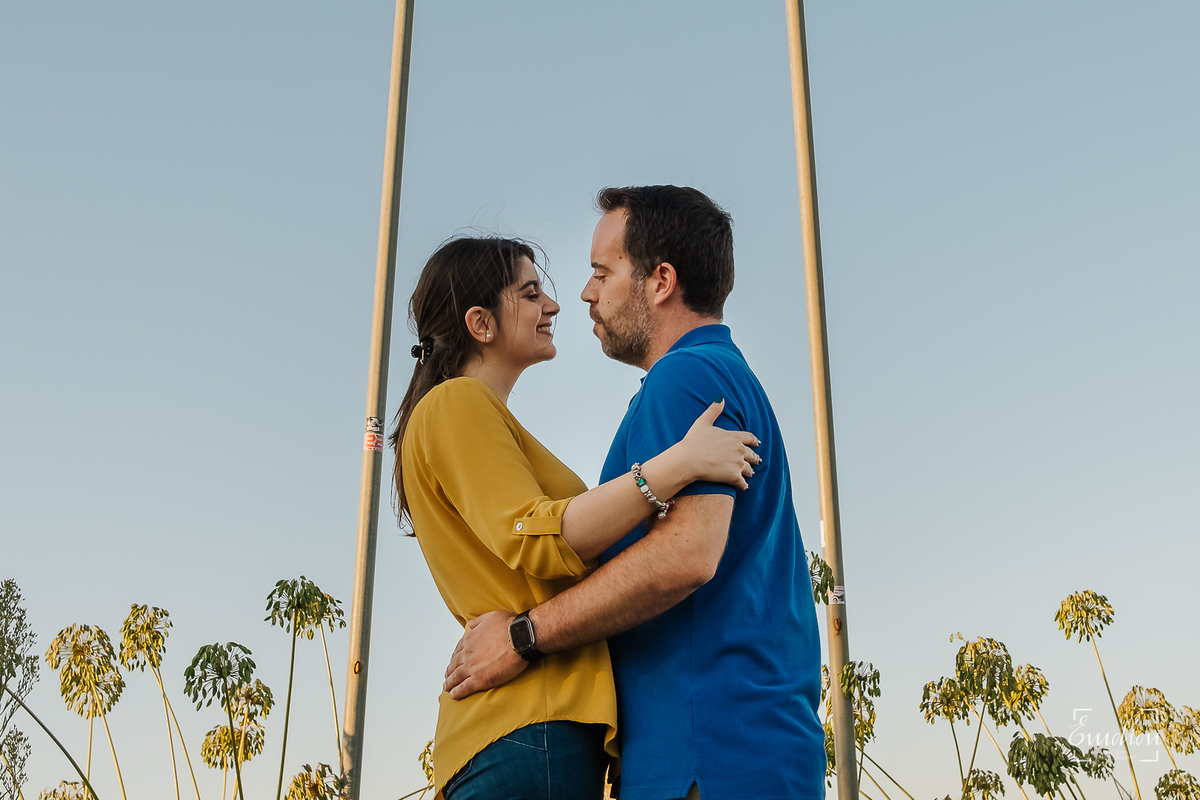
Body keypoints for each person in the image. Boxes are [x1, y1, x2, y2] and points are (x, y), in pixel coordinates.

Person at [443, 186, 827, 800]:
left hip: (705, 754)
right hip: (734, 750)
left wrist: (523, 635)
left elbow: (686, 554)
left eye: (602, 271)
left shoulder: (687, 376)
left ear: (660, 280)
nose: (585, 293)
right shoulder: (715, 373)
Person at [390, 236, 763, 800]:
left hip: (531, 731)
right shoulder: (455, 404)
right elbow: (538, 535)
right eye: (530, 292)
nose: (556, 306)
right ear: (480, 323)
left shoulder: (474, 415)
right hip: (528, 725)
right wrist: (674, 467)